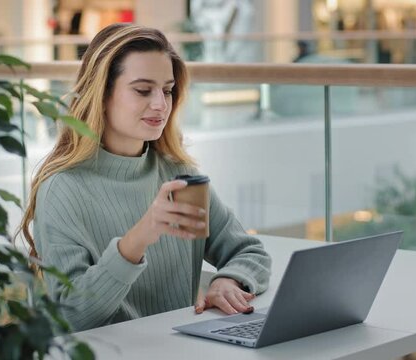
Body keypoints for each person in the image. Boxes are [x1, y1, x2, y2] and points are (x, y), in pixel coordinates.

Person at [18, 23, 271, 332]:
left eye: (167, 90)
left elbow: (248, 251)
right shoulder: (62, 189)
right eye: (142, 90)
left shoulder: (179, 174)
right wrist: (138, 239)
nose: (160, 105)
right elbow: (70, 316)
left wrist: (229, 280)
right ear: (102, 93)